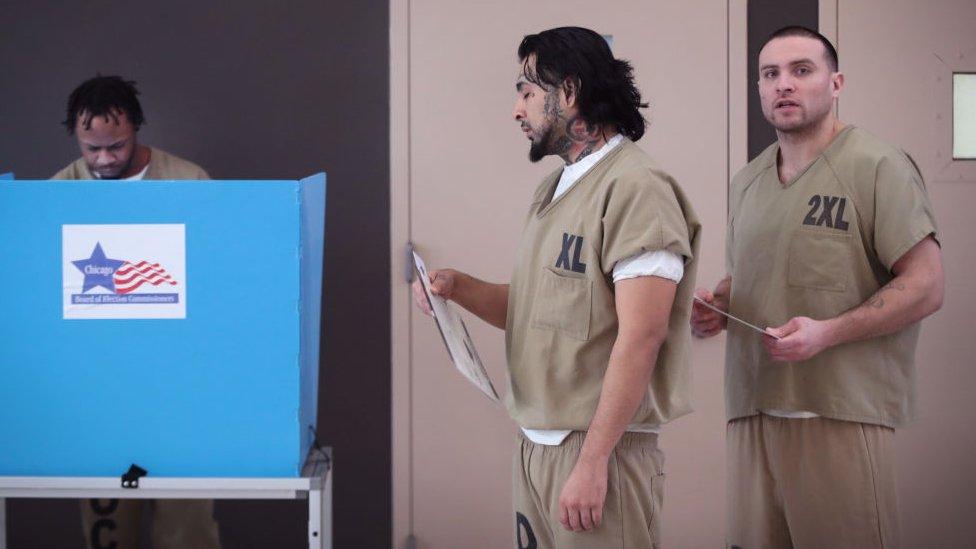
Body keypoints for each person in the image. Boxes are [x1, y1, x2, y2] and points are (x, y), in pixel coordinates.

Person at [413, 27, 700, 548]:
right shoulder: (554, 189)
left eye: (526, 91)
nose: (517, 110)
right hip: (537, 445)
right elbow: (533, 310)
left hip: (596, 453)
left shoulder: (637, 189)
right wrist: (455, 287)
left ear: (568, 92)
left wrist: (592, 463)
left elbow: (643, 336)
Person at [691, 26, 944, 549]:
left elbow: (926, 285)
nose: (783, 84)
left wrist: (827, 333)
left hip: (837, 414)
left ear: (836, 83)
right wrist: (720, 304)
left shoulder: (877, 166)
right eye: (770, 74)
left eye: (801, 70)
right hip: (753, 413)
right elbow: (752, 274)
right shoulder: (748, 181)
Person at [53, 75, 219, 549]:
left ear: (137, 130)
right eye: (92, 149)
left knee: (187, 526)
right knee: (108, 528)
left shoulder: (189, 182)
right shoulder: (57, 194)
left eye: (117, 146)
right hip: (98, 390)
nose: (104, 159)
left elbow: (219, 277)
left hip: (179, 385)